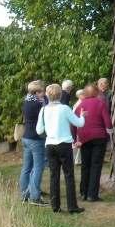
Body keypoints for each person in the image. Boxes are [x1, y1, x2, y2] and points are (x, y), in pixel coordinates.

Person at [36, 83, 85, 213]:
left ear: (47, 95)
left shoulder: (44, 110)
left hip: (50, 144)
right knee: (69, 175)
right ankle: (72, 206)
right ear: (61, 94)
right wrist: (83, 116)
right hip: (64, 143)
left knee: (54, 175)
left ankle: (55, 206)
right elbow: (79, 123)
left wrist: (49, 130)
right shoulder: (64, 108)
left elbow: (39, 130)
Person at [74, 84, 112, 202]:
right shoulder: (100, 103)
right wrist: (109, 133)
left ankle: (83, 192)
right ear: (96, 92)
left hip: (84, 138)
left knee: (85, 165)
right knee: (96, 165)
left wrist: (75, 139)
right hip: (99, 137)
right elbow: (108, 122)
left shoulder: (80, 105)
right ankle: (92, 194)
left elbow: (73, 123)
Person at [20, 80, 47, 205]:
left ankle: (24, 194)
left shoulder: (26, 101)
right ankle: (34, 196)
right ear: (36, 92)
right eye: (42, 92)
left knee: (26, 167)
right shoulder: (38, 105)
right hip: (36, 138)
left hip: (26, 137)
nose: (44, 94)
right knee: (38, 167)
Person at [71, 89, 86, 165]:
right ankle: (77, 160)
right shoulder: (78, 104)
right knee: (78, 142)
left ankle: (76, 159)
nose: (85, 95)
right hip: (78, 124)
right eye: (83, 94)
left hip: (77, 123)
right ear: (79, 96)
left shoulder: (79, 103)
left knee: (77, 143)